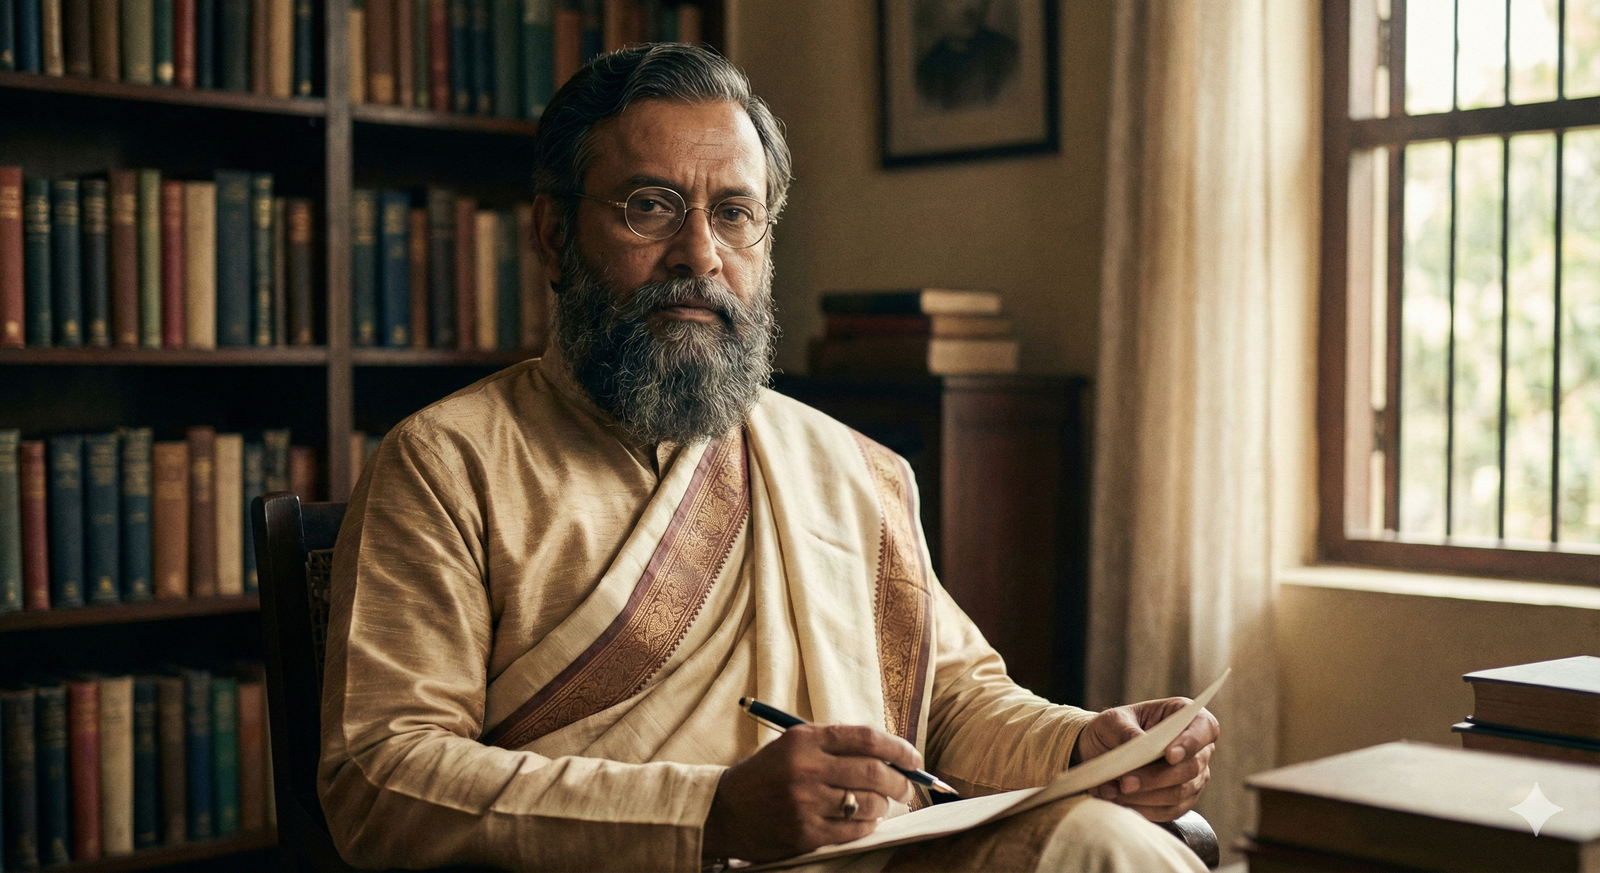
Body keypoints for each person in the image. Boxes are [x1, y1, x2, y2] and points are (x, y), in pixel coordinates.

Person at [320, 43, 1218, 873]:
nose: (699, 254)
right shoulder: (447, 464)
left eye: (734, 214)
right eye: (650, 206)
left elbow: (946, 701)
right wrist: (708, 812)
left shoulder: (849, 467)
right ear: (554, 235)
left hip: (860, 853)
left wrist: (1081, 745)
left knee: (1107, 845)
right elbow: (381, 777)